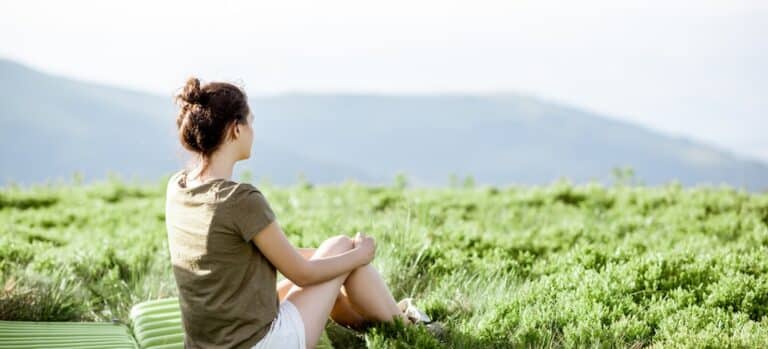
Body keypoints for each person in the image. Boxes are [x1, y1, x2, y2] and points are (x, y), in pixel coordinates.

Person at [164, 77, 432, 349]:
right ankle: (410, 328)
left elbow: (267, 255)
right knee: (343, 250)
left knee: (338, 253)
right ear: (236, 129)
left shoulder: (179, 187)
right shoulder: (240, 199)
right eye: (251, 122)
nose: (253, 131)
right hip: (258, 343)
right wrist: (359, 255)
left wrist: (341, 256)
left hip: (210, 338)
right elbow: (302, 274)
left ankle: (387, 323)